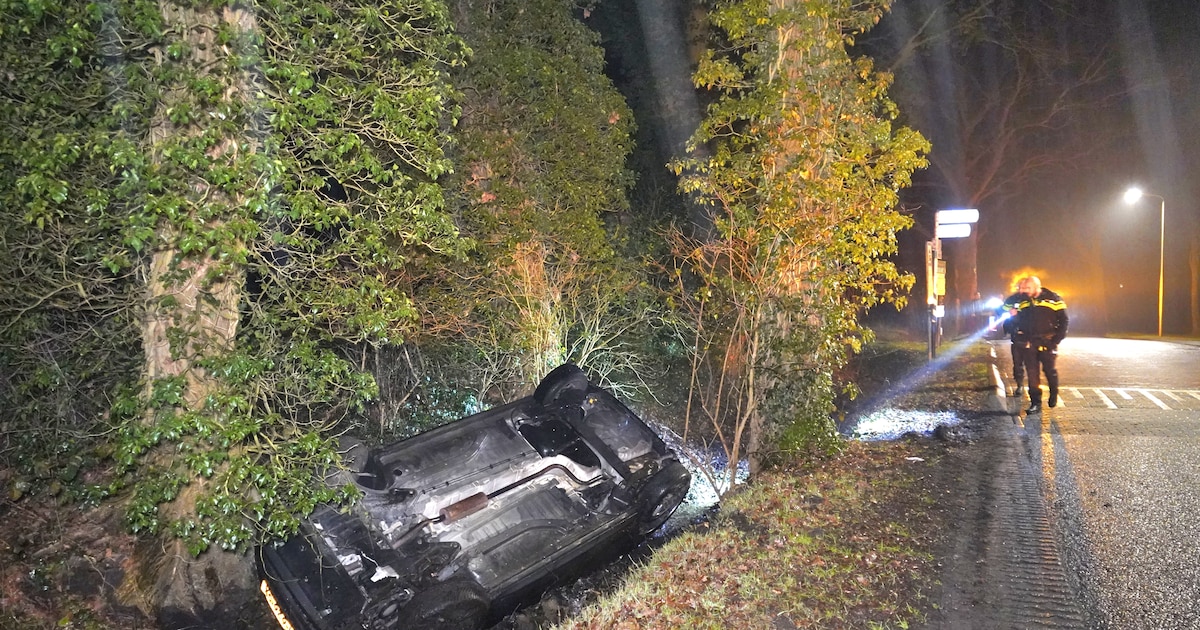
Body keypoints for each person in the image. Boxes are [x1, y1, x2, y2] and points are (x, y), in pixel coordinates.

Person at [1011, 276, 1068, 413]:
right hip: (1030, 343)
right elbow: (1020, 320)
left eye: (1028, 288)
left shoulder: (1053, 298)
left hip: (1047, 342)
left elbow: (1064, 320)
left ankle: (1053, 393)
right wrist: (1014, 319)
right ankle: (1035, 403)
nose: (1025, 291)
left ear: (1037, 287)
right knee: (1032, 373)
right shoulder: (1023, 301)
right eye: (1023, 288)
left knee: (1049, 371)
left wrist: (1056, 339)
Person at [999, 281, 1033, 396]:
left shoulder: (1032, 300)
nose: (1022, 290)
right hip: (1016, 336)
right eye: (1020, 287)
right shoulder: (1012, 299)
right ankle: (1019, 385)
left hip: (1030, 336)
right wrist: (1008, 311)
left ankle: (1033, 388)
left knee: (1031, 365)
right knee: (1017, 363)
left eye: (1025, 287)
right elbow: (1000, 310)